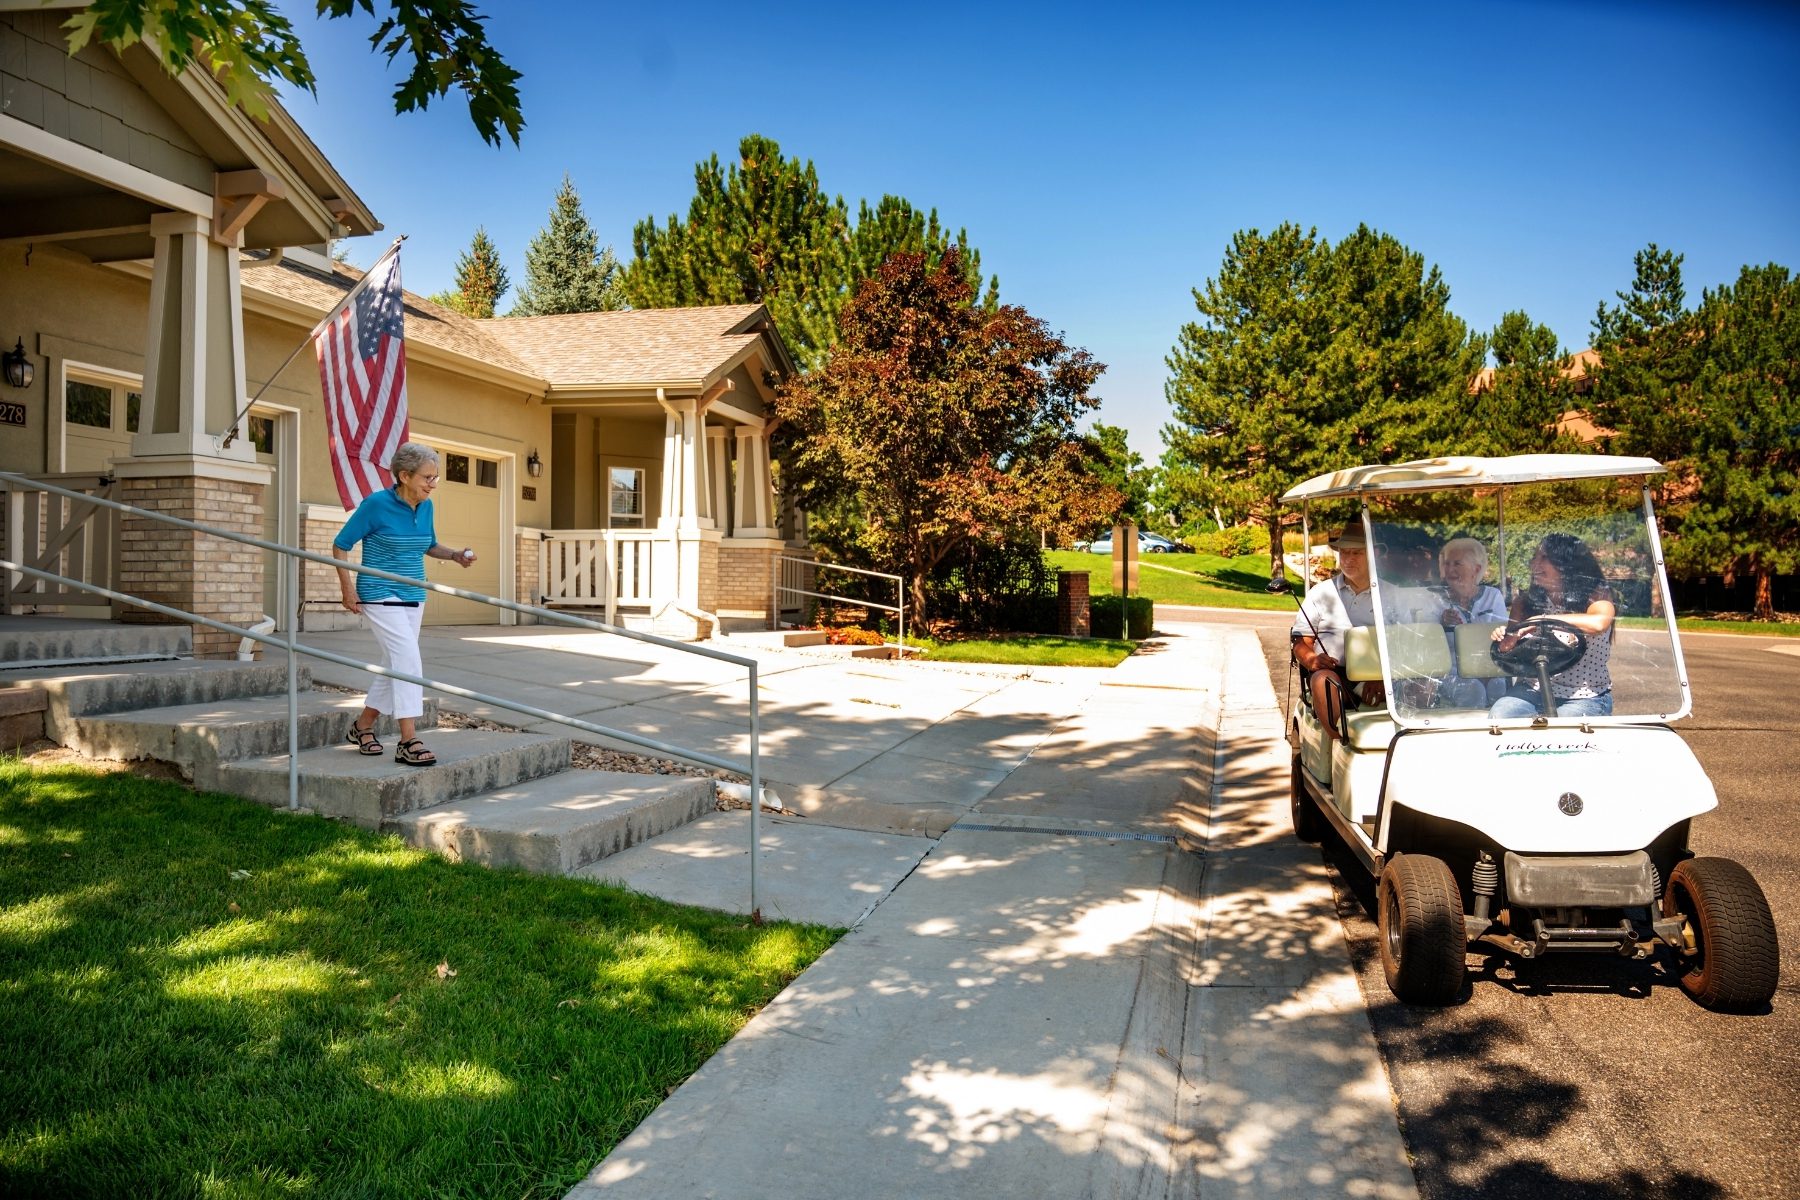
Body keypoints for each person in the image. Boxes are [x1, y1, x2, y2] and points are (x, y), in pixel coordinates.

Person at [332, 442, 478, 766]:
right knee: (408, 658)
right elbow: (340, 546)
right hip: (378, 591)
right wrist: (346, 588)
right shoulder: (375, 505)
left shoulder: (426, 507)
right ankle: (408, 740)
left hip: (413, 593)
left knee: (396, 661)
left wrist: (454, 555)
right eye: (427, 477)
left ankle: (362, 727)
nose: (433, 484)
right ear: (404, 476)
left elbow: (428, 544)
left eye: (435, 477)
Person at [1487, 532, 1615, 720]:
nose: (1534, 565)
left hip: (1584, 697)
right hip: (1532, 690)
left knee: (1559, 729)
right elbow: (1508, 650)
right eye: (1534, 558)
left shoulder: (1597, 595)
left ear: (1566, 564)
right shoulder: (1524, 602)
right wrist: (1507, 638)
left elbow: (1599, 623)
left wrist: (1542, 619)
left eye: (1544, 558)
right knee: (1499, 717)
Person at [1292, 523, 1386, 739]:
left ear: (1374, 554)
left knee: (1425, 685)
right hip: (1335, 674)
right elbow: (1300, 642)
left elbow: (1404, 642)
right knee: (1323, 681)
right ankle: (1339, 742)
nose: (1348, 559)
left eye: (1356, 553)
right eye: (1344, 553)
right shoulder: (1321, 592)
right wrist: (1313, 660)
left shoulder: (1390, 594)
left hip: (1382, 676)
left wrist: (1383, 678)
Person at [1430, 537, 1509, 707]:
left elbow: (1503, 638)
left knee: (1498, 687)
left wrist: (1486, 671)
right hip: (1451, 671)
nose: (1450, 569)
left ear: (1476, 569)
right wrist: (1441, 626)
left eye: (1457, 564)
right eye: (1447, 563)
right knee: (1473, 690)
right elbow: (1426, 644)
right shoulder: (1434, 599)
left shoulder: (1492, 596)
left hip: (1489, 667)